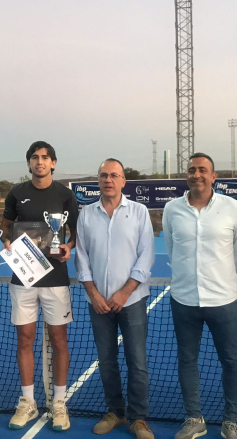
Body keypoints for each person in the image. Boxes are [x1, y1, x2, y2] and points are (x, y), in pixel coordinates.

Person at [162, 152, 237, 439]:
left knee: (231, 361)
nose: (196, 174)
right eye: (191, 170)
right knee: (187, 360)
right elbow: (172, 250)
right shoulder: (172, 209)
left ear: (214, 176)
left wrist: (219, 279)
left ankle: (230, 422)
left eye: (202, 170)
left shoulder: (233, 208)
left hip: (223, 300)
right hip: (184, 300)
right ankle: (194, 418)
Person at [0, 141, 79, 431]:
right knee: (25, 339)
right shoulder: (16, 193)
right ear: (29, 163)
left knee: (59, 341)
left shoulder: (65, 195)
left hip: (55, 280)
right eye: (35, 157)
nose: (40, 162)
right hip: (23, 278)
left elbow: (75, 232)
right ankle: (28, 402)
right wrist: (6, 241)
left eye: (45, 157)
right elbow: (6, 226)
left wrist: (69, 246)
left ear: (53, 163)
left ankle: (59, 403)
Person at [75, 159, 155, 439]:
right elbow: (81, 257)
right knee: (106, 361)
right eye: (103, 175)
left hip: (132, 302)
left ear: (123, 181)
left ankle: (138, 418)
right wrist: (93, 294)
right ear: (98, 180)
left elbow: (146, 256)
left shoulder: (139, 212)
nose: (108, 180)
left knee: (137, 361)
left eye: (114, 175)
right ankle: (115, 412)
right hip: (97, 303)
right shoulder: (85, 214)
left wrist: (125, 291)